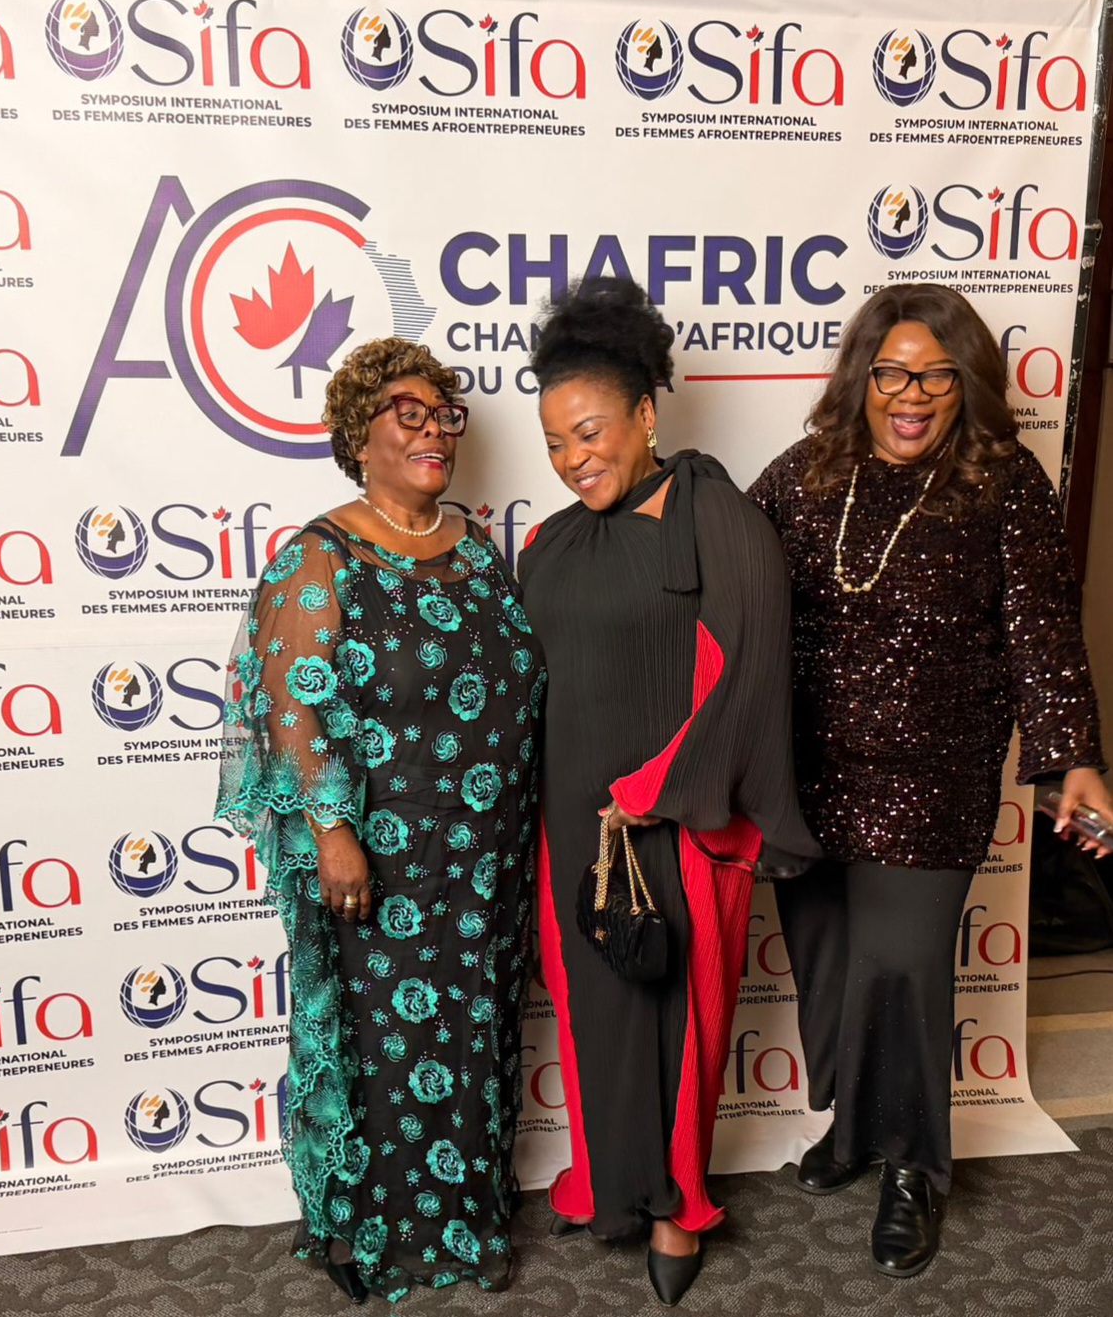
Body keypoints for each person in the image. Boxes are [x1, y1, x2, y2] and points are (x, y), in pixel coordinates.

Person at [749, 281, 1112, 1278]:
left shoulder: (1002, 481)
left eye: (936, 377)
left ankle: (912, 1166)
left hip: (932, 776)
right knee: (829, 968)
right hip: (808, 770)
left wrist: (1072, 757)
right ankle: (852, 1129)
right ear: (861, 378)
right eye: (892, 374)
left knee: (903, 971)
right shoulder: (809, 470)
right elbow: (727, 558)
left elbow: (1042, 629)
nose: (910, 396)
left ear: (966, 385)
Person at [216, 338, 542, 1303]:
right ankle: (372, 1231)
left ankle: (471, 1222)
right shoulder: (322, 555)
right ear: (359, 436)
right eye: (409, 413)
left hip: (487, 858)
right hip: (384, 855)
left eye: (445, 414)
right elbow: (291, 704)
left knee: (474, 1040)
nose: (435, 429)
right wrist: (332, 832)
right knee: (383, 1048)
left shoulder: (474, 547)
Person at [518, 278, 819, 1306]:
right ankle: (606, 1178)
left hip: (677, 821)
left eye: (589, 431)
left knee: (678, 1022)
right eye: (554, 442)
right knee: (591, 1011)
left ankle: (676, 1206)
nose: (572, 457)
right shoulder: (550, 542)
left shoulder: (720, 521)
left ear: (646, 412)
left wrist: (656, 787)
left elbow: (750, 673)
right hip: (573, 825)